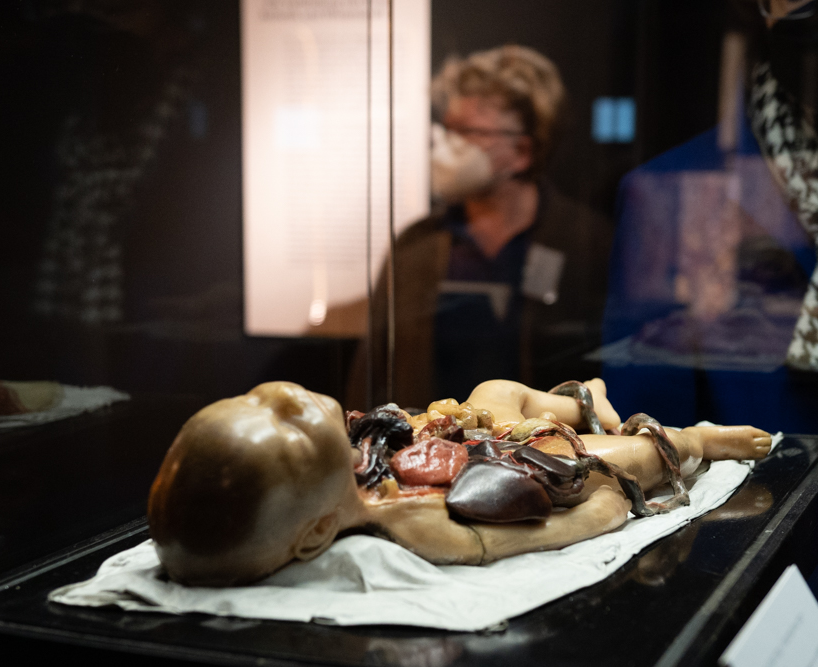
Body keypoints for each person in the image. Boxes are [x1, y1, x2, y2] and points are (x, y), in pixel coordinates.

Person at [147, 381, 771, 586]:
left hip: (465, 436)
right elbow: (508, 541)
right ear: (314, 535)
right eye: (288, 428)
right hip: (523, 469)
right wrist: (596, 515)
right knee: (618, 455)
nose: (282, 395)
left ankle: (585, 398)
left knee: (493, 394)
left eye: (252, 400)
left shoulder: (361, 451)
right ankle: (692, 441)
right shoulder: (415, 523)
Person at [351, 45, 614, 410]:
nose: (444, 143)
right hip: (430, 455)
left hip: (551, 456)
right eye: (447, 127)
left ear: (523, 151)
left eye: (467, 131)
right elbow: (372, 376)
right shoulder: (416, 246)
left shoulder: (589, 244)